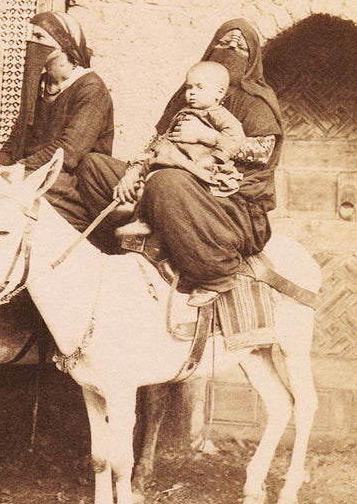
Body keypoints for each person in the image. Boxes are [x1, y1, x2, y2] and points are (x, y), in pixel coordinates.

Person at [77, 18, 283, 305]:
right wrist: (134, 171)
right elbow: (157, 142)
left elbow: (263, 152)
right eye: (223, 43)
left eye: (240, 47)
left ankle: (215, 274)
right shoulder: (189, 95)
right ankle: (128, 244)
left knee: (166, 183)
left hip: (228, 200)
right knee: (93, 167)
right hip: (171, 175)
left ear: (253, 58)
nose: (230, 50)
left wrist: (207, 136)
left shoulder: (256, 101)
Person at [0, 11, 114, 229]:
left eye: (40, 37)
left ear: (63, 44)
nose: (32, 42)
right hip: (27, 173)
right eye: (31, 36)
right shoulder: (41, 83)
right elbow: (16, 142)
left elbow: (68, 152)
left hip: (68, 181)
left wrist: (12, 171)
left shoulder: (90, 88)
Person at [116, 59, 245, 240]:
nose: (191, 93)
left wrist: (215, 158)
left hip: (194, 164)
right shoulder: (183, 112)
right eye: (188, 88)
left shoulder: (219, 115)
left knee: (156, 180)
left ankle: (144, 220)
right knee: (146, 177)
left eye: (199, 87)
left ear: (219, 93)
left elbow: (235, 138)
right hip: (172, 158)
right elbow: (167, 135)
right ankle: (133, 209)